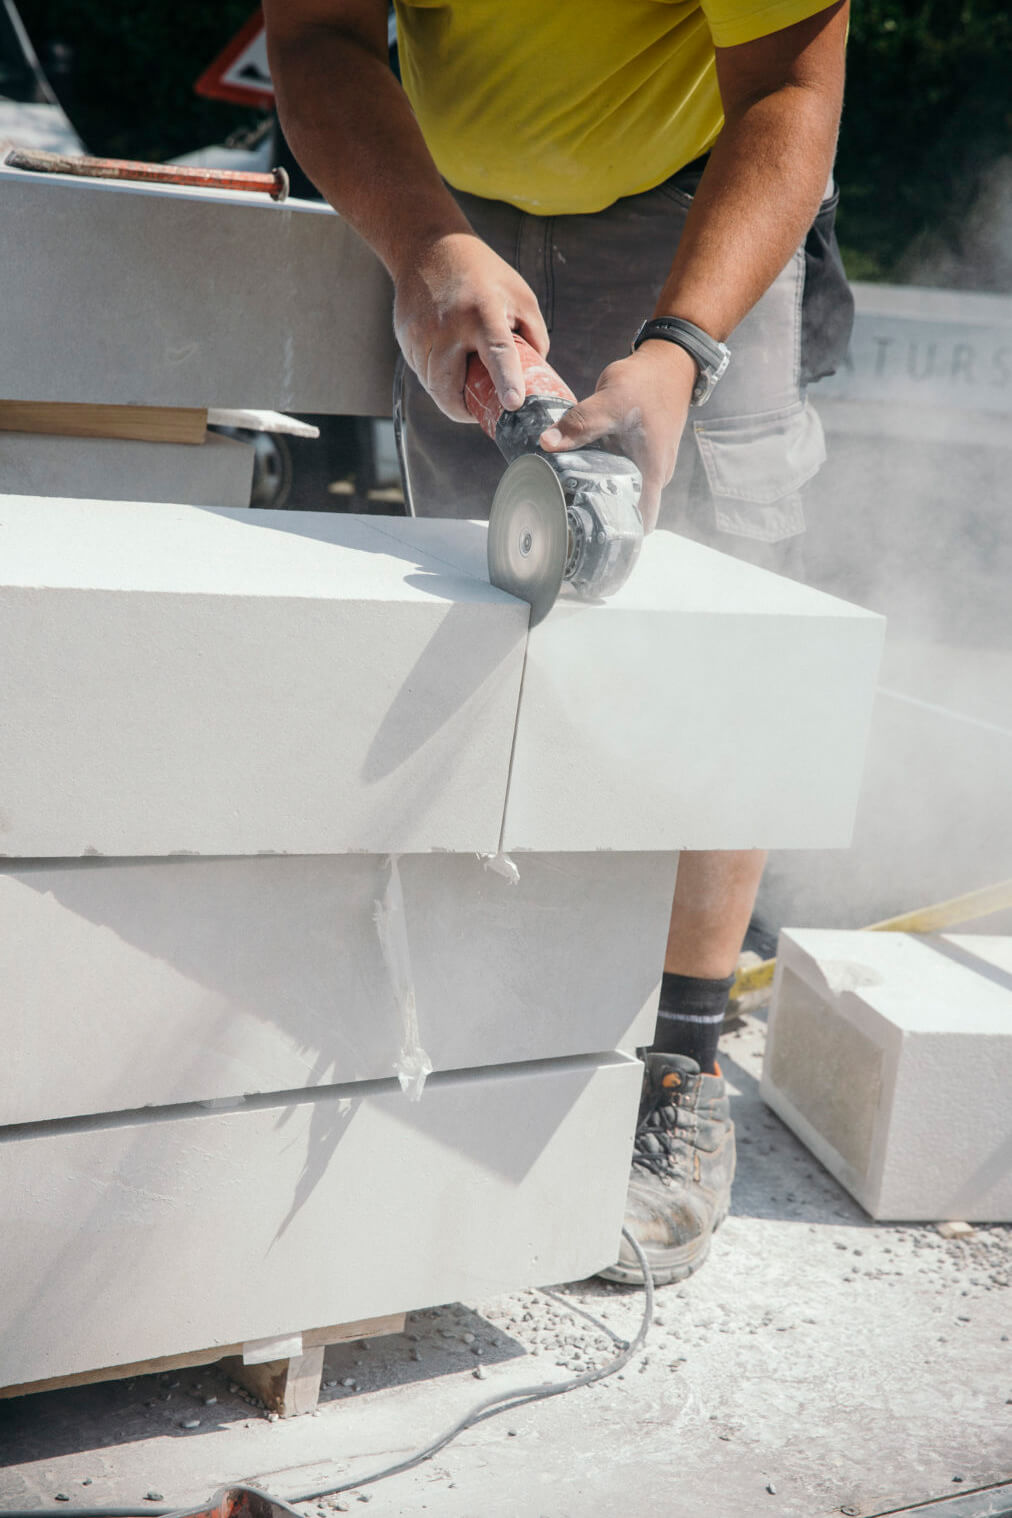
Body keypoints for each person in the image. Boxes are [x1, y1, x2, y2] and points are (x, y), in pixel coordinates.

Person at [263, 0, 852, 1285]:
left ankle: (679, 1059)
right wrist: (425, 243)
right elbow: (316, 39)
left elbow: (788, 88)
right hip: (440, 184)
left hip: (693, 198)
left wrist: (683, 349)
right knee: (484, 610)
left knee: (715, 632)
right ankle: (491, 1037)